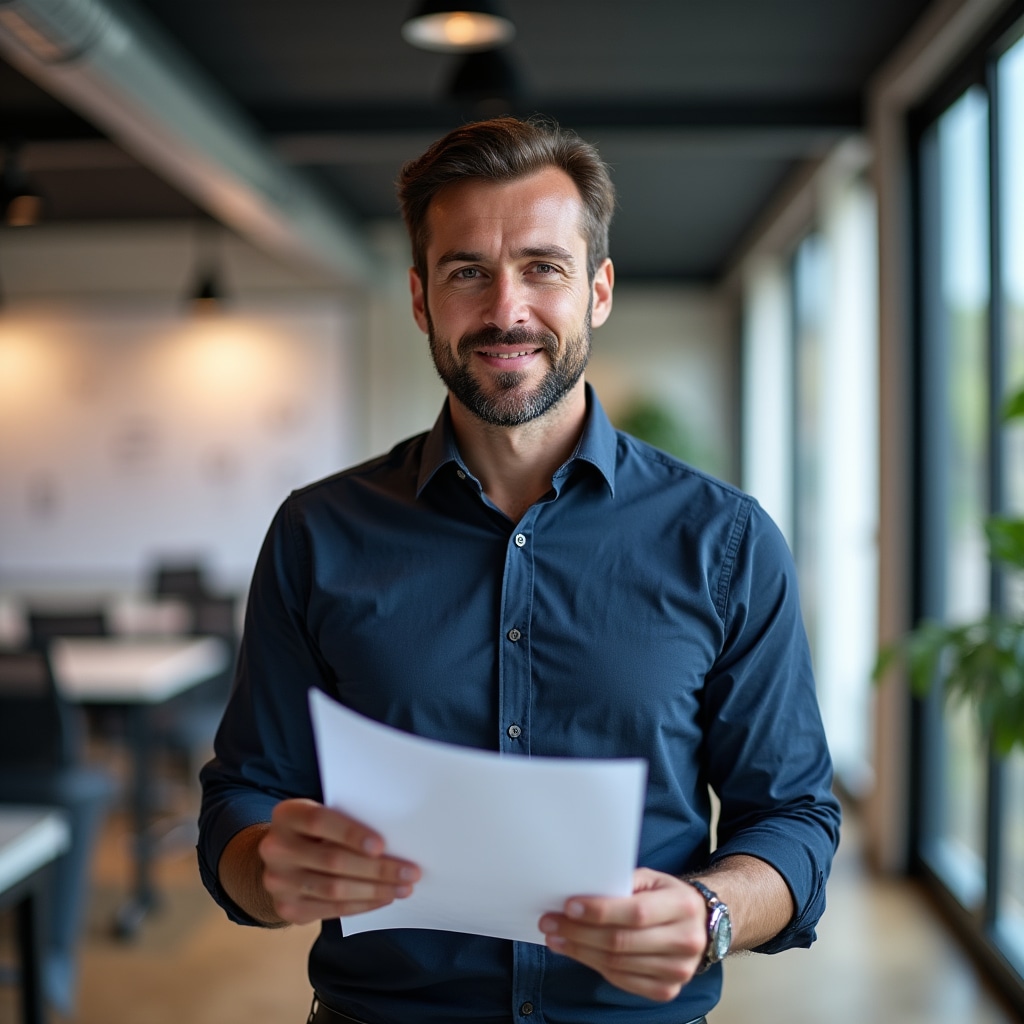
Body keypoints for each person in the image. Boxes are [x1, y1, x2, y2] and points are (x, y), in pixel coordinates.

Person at [198, 115, 841, 1024]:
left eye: (544, 267)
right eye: (468, 272)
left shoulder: (727, 542)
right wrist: (266, 864)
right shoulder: (318, 533)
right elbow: (241, 797)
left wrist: (714, 913)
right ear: (421, 299)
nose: (507, 310)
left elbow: (794, 819)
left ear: (599, 290)